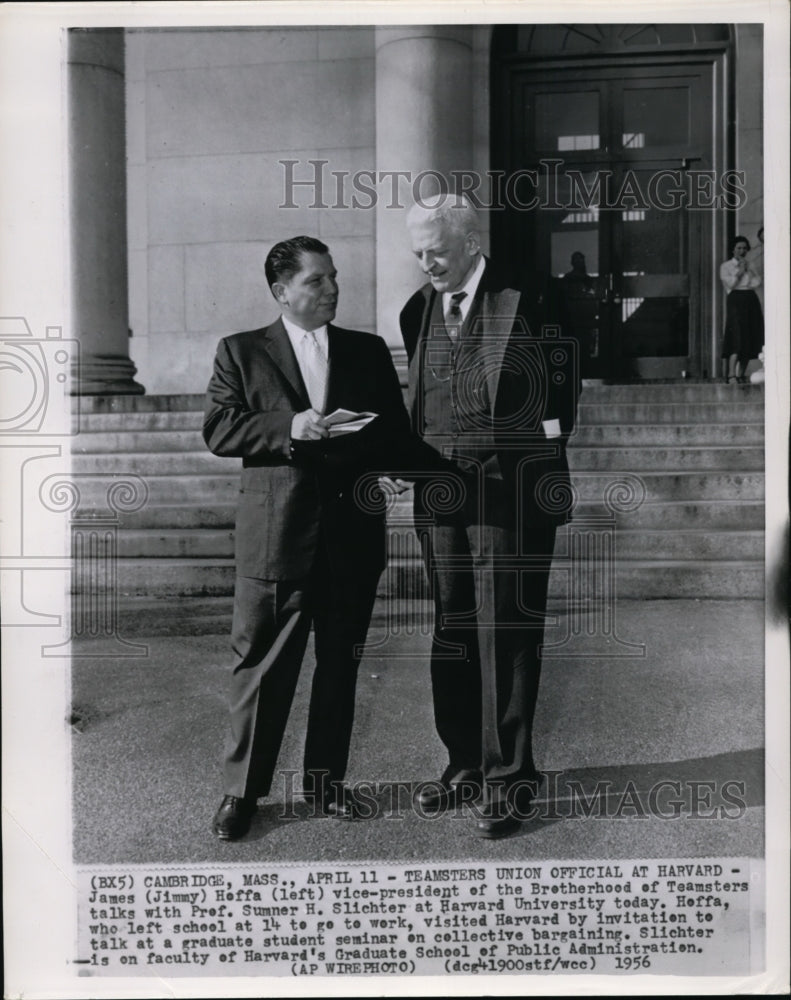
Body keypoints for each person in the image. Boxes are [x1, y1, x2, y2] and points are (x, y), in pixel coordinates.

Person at [203, 235, 411, 841]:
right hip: (277, 539)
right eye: (316, 281)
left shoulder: (367, 351)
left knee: (339, 668)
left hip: (351, 538)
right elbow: (219, 427)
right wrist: (289, 426)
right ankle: (241, 794)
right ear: (281, 292)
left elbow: (391, 431)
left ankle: (326, 784)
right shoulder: (241, 352)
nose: (331, 290)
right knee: (260, 669)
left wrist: (392, 468)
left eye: (334, 277)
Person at [397, 195, 579, 838]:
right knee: (452, 628)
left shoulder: (530, 297)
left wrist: (532, 453)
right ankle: (463, 766)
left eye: (436, 252)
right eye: (418, 253)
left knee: (506, 629)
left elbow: (562, 395)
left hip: (509, 491)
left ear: (471, 242)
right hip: (440, 495)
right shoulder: (416, 309)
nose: (426, 265)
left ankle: (511, 778)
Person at [719, 235, 763, 384]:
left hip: (750, 298)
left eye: (744, 248)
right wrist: (740, 271)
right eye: (739, 248)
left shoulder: (750, 265)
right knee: (736, 335)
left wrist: (748, 271)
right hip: (736, 300)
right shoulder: (726, 266)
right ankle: (731, 374)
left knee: (748, 336)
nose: (742, 251)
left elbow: (757, 283)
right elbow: (730, 284)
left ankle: (741, 374)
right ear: (733, 249)